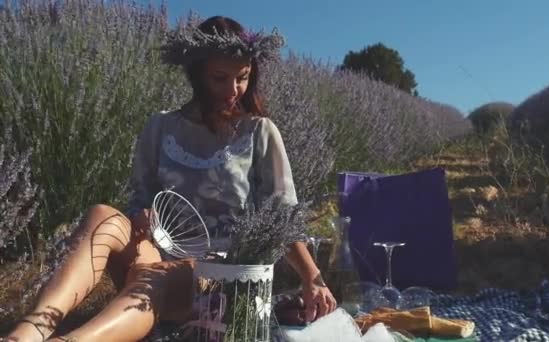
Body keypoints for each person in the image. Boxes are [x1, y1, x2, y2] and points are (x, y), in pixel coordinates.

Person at [6, 16, 336, 342]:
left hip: (219, 274)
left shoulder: (258, 132)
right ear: (197, 74)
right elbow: (140, 197)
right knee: (101, 215)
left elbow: (283, 217)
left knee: (155, 277)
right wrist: (142, 215)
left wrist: (312, 277)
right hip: (156, 254)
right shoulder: (161, 127)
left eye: (243, 77)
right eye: (220, 78)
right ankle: (27, 334)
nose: (233, 90)